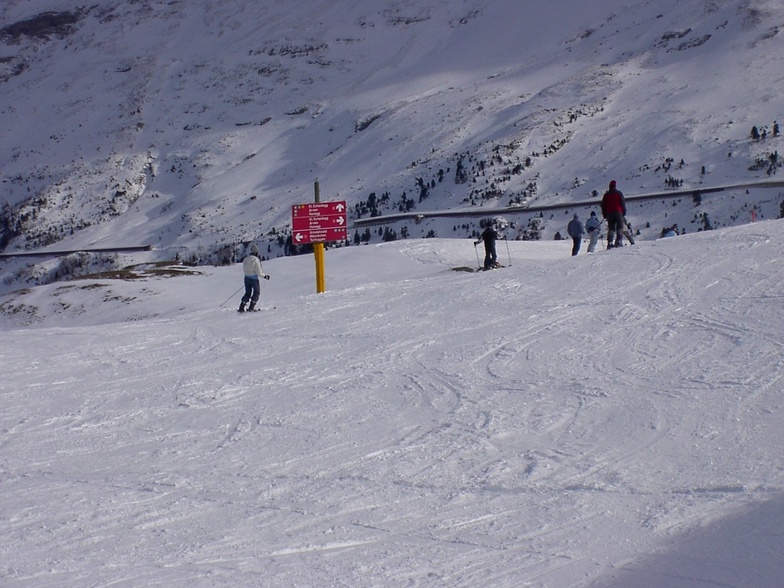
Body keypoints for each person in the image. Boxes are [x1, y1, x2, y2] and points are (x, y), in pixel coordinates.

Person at [239, 244, 269, 312]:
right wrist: (265, 276)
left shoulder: (246, 259)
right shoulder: (255, 260)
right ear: (256, 252)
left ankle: (242, 305)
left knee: (248, 292)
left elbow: (244, 268)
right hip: (254, 279)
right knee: (256, 292)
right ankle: (251, 307)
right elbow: (259, 272)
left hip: (246, 278)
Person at [601, 180, 626, 248]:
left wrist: (604, 214)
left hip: (609, 213)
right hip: (618, 212)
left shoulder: (606, 195)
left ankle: (610, 242)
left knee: (611, 228)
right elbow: (622, 203)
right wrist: (624, 212)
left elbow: (603, 205)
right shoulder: (619, 193)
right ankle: (619, 241)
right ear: (615, 186)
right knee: (619, 227)